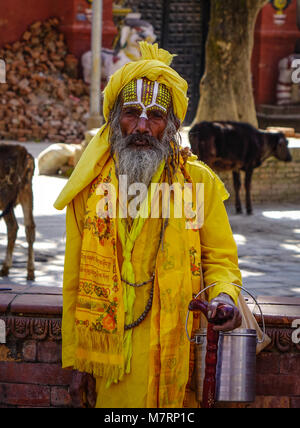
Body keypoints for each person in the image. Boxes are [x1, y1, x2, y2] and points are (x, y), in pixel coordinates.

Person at [54, 42, 247, 408]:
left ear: (172, 126)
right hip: (112, 368)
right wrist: (78, 362)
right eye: (130, 113)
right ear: (113, 121)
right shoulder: (88, 192)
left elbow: (221, 260)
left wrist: (224, 296)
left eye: (155, 116)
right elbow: (74, 281)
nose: (141, 126)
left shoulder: (197, 183)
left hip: (180, 357)